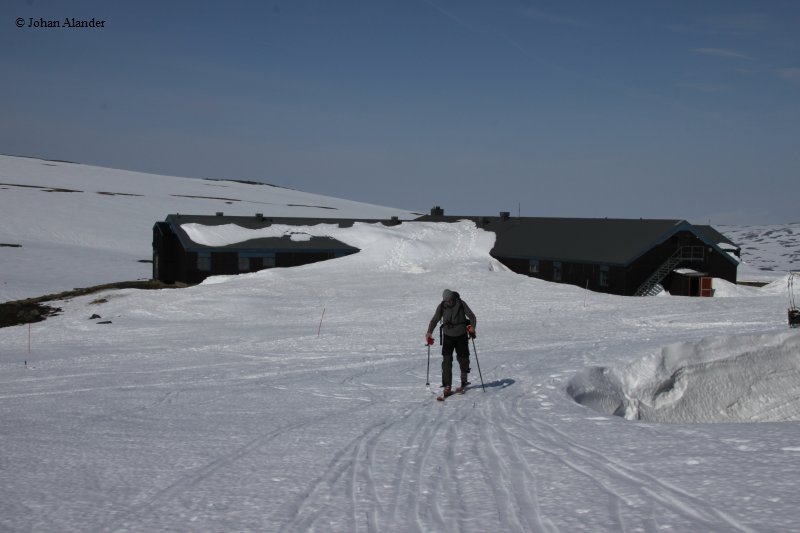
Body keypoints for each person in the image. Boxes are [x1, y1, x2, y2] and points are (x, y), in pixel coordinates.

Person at [426, 289, 477, 398]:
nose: (448, 302)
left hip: (461, 335)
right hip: (448, 336)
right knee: (447, 361)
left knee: (463, 358)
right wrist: (429, 332)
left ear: (453, 298)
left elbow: (472, 316)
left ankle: (464, 377)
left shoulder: (461, 303)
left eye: (449, 300)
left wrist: (472, 327)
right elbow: (434, 320)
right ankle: (447, 385)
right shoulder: (442, 306)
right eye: (446, 301)